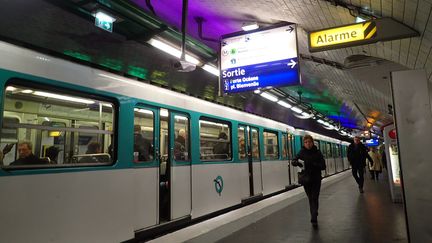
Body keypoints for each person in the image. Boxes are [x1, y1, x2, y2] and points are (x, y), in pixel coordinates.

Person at [291, 135, 326, 228]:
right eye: (306, 142)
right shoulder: (301, 152)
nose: (308, 144)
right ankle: (314, 213)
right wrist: (296, 162)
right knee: (311, 198)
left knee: (314, 197)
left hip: (316, 179)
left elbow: (323, 166)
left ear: (312, 142)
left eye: (309, 142)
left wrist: (313, 164)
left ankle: (314, 217)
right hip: (306, 179)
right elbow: (294, 160)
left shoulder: (318, 153)